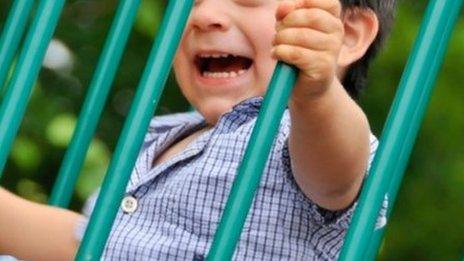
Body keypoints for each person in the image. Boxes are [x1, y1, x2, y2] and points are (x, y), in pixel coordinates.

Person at [0, 0, 395, 259]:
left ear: (348, 35)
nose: (204, 15)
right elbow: (93, 243)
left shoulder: (305, 131)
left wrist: (317, 93)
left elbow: (337, 174)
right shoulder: (158, 135)